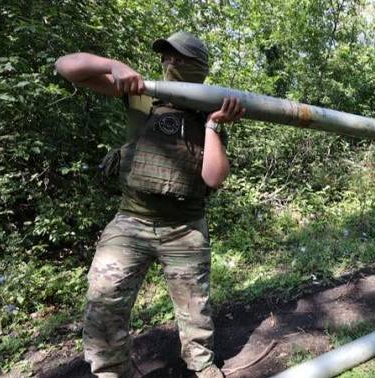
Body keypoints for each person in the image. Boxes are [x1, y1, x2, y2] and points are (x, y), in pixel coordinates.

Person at [55, 31, 245, 378]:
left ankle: (201, 366)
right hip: (131, 222)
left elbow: (214, 178)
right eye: (167, 56)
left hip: (185, 228)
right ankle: (112, 371)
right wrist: (113, 66)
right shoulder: (144, 97)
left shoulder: (209, 109)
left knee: (195, 312)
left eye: (181, 58)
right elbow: (66, 66)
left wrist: (215, 126)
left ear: (200, 66)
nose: (170, 62)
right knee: (104, 298)